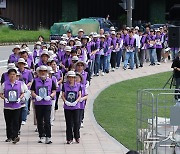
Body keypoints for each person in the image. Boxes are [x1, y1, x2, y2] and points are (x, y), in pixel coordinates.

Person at [31, 65, 56, 144]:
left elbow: (54, 91)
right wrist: (36, 96)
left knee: (47, 120)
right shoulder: (35, 81)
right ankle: (41, 135)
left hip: (47, 103)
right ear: (38, 72)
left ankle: (48, 136)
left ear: (47, 72)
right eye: (41, 71)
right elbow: (32, 91)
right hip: (38, 103)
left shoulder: (51, 81)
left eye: (44, 71)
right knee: (39, 120)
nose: (42, 73)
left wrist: (50, 96)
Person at [0, 68, 25, 144]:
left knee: (16, 122)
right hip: (7, 106)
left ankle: (15, 136)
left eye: (14, 74)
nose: (12, 76)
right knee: (8, 122)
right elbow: (1, 94)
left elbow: (22, 93)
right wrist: (5, 98)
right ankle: (9, 137)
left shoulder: (20, 83)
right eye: (11, 74)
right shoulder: (4, 84)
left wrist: (19, 98)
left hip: (17, 106)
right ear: (8, 75)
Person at [61, 71, 81, 144]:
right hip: (67, 107)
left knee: (76, 122)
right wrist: (65, 101)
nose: (71, 79)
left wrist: (76, 101)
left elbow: (79, 95)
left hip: (76, 107)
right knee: (68, 123)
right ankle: (69, 138)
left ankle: (77, 136)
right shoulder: (64, 85)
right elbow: (62, 95)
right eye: (69, 77)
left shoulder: (78, 85)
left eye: (72, 77)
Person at [17, 58, 33, 125]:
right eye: (20, 64)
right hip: (17, 90)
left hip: (26, 90)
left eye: (22, 64)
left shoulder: (28, 72)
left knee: (25, 105)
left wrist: (25, 86)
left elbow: (31, 81)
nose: (21, 65)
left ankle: (24, 119)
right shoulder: (16, 71)